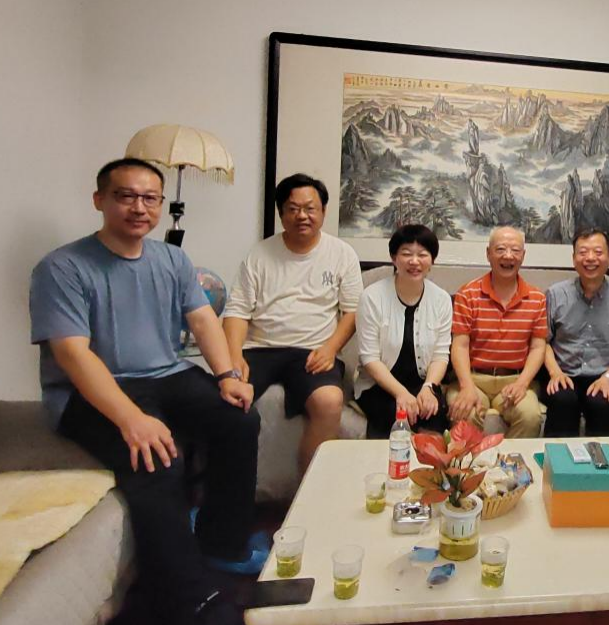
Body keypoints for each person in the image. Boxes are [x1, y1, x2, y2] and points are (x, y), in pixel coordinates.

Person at [30, 158, 258, 625]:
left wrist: (227, 375)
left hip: (166, 374)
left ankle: (223, 542)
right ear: (100, 200)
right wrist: (130, 418)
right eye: (126, 196)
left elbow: (203, 320)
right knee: (158, 457)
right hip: (90, 389)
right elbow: (73, 355)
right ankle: (187, 600)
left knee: (238, 419)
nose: (139, 208)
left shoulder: (171, 259)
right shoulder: (62, 267)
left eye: (150, 198)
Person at [221, 173, 363, 476]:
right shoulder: (259, 254)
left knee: (329, 401)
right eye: (293, 209)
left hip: (313, 350)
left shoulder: (342, 254)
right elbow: (237, 311)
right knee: (226, 399)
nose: (302, 216)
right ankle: (226, 489)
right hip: (260, 348)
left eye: (310, 208)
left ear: (323, 211)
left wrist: (330, 348)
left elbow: (352, 313)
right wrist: (233, 358)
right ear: (281, 213)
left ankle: (308, 490)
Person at [447, 226, 546, 438]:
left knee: (530, 416)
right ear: (488, 254)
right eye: (500, 249)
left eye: (515, 250)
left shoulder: (537, 298)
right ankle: (470, 461)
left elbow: (538, 347)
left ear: (523, 255)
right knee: (465, 412)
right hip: (474, 378)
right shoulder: (468, 293)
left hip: (514, 379)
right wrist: (466, 386)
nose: (508, 256)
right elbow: (460, 345)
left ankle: (510, 459)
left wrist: (522, 384)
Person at [354, 224, 452, 439]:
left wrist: (429, 387)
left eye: (422, 255)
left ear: (432, 260)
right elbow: (369, 358)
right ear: (394, 258)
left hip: (422, 384)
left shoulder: (442, 299)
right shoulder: (371, 297)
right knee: (399, 420)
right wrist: (401, 393)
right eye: (406, 254)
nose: (414, 261)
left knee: (435, 424)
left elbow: (441, 355)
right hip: (378, 386)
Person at [540, 228, 609, 437]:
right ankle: (556, 457)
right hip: (563, 372)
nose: (590, 258)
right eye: (583, 252)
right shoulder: (556, 294)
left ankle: (601, 458)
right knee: (563, 400)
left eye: (598, 252)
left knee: (602, 403)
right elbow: (543, 341)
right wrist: (555, 373)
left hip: (603, 374)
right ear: (574, 258)